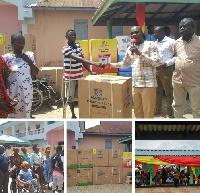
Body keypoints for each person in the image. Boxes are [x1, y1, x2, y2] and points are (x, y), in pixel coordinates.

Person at [107, 26, 160, 118]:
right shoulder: (130, 49)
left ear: (142, 33)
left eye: (136, 32)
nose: (134, 35)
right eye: (131, 33)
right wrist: (109, 65)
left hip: (148, 85)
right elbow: (123, 64)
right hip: (135, 85)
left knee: (148, 113)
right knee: (138, 113)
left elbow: (156, 62)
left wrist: (139, 53)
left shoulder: (151, 45)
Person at [62, 29, 105, 118]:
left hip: (80, 76)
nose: (73, 36)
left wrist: (90, 71)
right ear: (66, 37)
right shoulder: (65, 48)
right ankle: (73, 115)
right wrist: (95, 63)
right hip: (70, 78)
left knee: (82, 96)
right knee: (70, 97)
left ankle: (83, 113)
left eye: (74, 35)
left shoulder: (78, 46)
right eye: (71, 35)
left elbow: (82, 60)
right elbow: (78, 59)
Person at [3, 33, 39, 118]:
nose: (21, 45)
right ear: (12, 42)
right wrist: (8, 96)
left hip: (27, 92)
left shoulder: (29, 55)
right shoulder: (6, 58)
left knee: (26, 114)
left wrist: (28, 61)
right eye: (18, 43)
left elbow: (35, 72)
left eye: (23, 43)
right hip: (13, 92)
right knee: (13, 115)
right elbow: (4, 78)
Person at [172, 18, 200, 118]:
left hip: (195, 81)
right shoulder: (177, 43)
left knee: (197, 109)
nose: (182, 28)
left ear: (193, 27)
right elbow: (177, 57)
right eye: (180, 26)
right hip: (178, 80)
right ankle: (179, 128)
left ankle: (196, 131)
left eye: (185, 26)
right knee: (177, 105)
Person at [154, 26, 175, 118]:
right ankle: (158, 108)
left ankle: (170, 113)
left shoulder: (171, 42)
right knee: (157, 91)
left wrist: (166, 63)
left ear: (162, 32)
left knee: (169, 92)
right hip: (156, 70)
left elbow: (177, 56)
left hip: (166, 70)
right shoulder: (155, 43)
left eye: (156, 33)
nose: (154, 35)